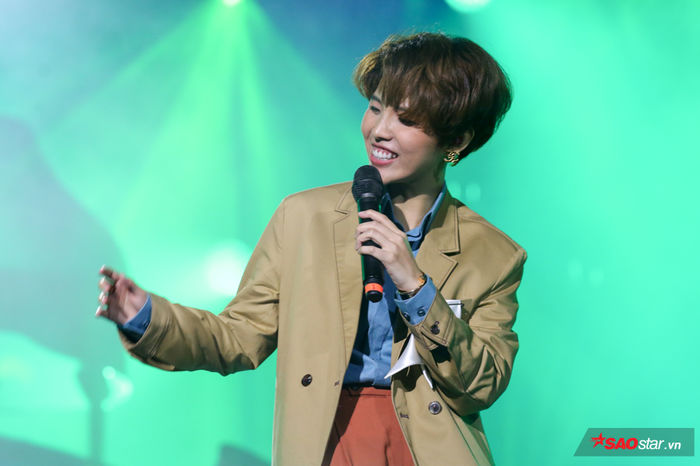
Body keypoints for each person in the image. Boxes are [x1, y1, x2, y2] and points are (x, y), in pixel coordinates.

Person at [96, 32, 526, 466]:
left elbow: (482, 385)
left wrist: (415, 287)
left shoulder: (493, 254)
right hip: (326, 435)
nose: (380, 130)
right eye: (375, 107)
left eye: (406, 119)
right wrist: (147, 317)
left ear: (456, 141)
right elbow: (238, 337)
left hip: (430, 449)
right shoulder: (304, 217)